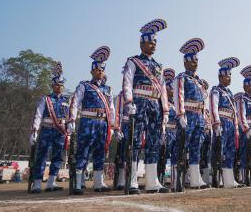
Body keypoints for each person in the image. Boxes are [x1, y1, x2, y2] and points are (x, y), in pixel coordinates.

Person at [121, 19, 170, 193]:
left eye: (155, 42)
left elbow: (163, 89)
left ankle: (152, 181)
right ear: (142, 43)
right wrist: (129, 102)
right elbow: (127, 82)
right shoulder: (133, 61)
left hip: (155, 105)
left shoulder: (158, 66)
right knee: (134, 141)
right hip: (139, 103)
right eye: (150, 42)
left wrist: (165, 110)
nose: (153, 45)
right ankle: (133, 181)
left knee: (154, 142)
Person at [70, 46, 116, 194]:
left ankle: (98, 183)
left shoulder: (108, 89)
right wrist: (71, 119)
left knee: (100, 153)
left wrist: (113, 126)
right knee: (83, 152)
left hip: (102, 124)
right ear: (92, 71)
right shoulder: (84, 85)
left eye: (102, 70)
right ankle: (78, 183)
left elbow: (112, 108)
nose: (100, 72)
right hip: (87, 121)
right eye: (97, 70)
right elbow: (75, 102)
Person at [29, 62, 70, 193]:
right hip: (47, 129)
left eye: (62, 85)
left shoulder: (66, 100)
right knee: (42, 156)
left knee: (58, 157)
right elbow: (38, 115)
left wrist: (69, 128)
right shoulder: (46, 99)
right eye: (57, 85)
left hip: (60, 131)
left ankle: (51, 183)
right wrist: (34, 131)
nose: (59, 87)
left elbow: (69, 116)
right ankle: (37, 183)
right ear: (52, 85)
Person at [173, 38, 208, 189]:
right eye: (193, 60)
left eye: (197, 60)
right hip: (188, 115)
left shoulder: (199, 81)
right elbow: (178, 95)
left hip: (199, 116)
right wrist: (180, 114)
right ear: (186, 62)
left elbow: (204, 102)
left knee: (196, 147)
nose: (196, 63)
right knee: (180, 146)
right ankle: (176, 179)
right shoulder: (182, 77)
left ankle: (195, 178)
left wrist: (205, 119)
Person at [210, 57, 241, 188]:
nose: (229, 78)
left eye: (230, 75)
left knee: (230, 151)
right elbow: (213, 107)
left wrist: (236, 128)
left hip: (230, 123)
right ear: (221, 77)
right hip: (222, 123)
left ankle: (229, 179)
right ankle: (217, 179)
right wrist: (216, 123)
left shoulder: (230, 93)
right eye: (227, 76)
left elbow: (234, 113)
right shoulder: (216, 90)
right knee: (219, 151)